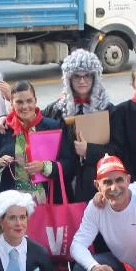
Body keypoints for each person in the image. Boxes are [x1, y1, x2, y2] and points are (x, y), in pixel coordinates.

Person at [0, 80, 74, 205]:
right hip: (14, 204)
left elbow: (69, 164)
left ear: (35, 101)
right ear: (11, 103)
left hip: (47, 201)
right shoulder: (4, 129)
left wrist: (44, 166)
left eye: (29, 101)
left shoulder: (52, 127)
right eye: (19, 102)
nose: (25, 106)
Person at [42, 49, 113, 202]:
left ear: (94, 77)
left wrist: (89, 150)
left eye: (87, 75)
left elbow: (118, 150)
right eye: (76, 76)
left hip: (96, 187)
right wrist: (1, 119)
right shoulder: (55, 109)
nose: (82, 81)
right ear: (69, 78)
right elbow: (33, 121)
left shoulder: (108, 110)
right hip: (62, 186)